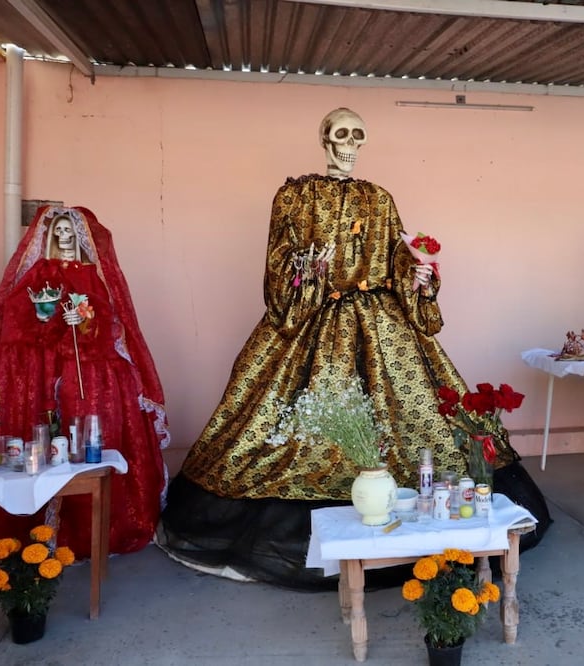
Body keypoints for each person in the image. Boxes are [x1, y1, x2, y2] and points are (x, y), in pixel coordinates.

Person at [158, 108, 549, 589]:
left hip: (382, 324)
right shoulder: (294, 196)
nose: (350, 144)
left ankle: (425, 516)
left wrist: (420, 276)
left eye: (358, 136)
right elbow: (278, 262)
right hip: (314, 320)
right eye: (341, 134)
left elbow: (397, 258)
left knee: (420, 418)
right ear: (324, 138)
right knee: (279, 423)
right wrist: (308, 271)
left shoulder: (379, 198)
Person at [0, 205, 169, 568]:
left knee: (86, 441)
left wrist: (85, 321)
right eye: (57, 234)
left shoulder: (95, 276)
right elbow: (14, 317)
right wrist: (46, 317)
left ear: (81, 238)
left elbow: (111, 324)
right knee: (41, 439)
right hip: (45, 371)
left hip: (87, 372)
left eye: (70, 234)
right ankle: (37, 527)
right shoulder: (40, 272)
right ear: (49, 238)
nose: (64, 240)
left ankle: (84, 529)